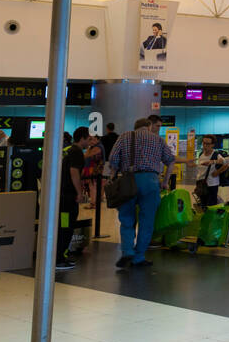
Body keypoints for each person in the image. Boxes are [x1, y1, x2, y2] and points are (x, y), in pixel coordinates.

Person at [107, 116, 177, 269]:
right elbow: (171, 160)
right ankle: (138, 257)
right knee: (147, 221)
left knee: (126, 219)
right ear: (149, 126)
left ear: (135, 126)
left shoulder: (124, 136)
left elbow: (113, 160)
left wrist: (112, 178)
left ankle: (127, 251)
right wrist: (165, 181)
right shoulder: (157, 140)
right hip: (151, 181)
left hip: (128, 180)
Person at [57, 127, 93, 271]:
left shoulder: (69, 150)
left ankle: (60, 257)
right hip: (68, 198)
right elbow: (74, 172)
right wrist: (79, 192)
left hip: (63, 195)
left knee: (64, 226)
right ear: (82, 138)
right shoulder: (77, 152)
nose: (90, 142)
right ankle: (59, 259)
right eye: (89, 139)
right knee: (65, 227)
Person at [195, 134, 223, 207]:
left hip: (212, 184)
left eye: (208, 144)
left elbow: (226, 164)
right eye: (204, 143)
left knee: (211, 206)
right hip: (201, 184)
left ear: (212, 145)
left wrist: (217, 172)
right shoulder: (201, 154)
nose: (205, 145)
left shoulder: (216, 155)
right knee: (202, 205)